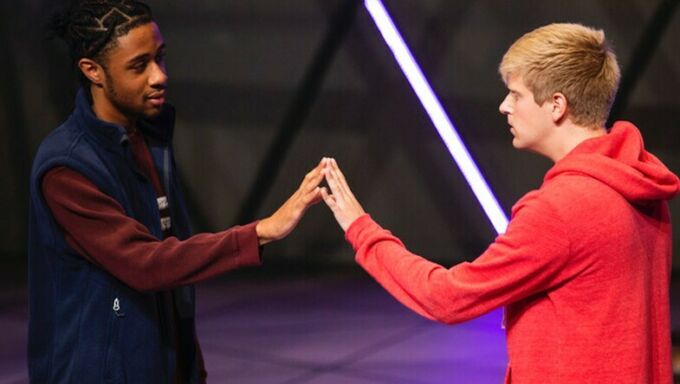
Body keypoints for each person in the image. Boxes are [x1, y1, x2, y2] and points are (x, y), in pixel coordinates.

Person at [320, 23, 679, 383]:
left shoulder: (560, 209)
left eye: (516, 94)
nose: (504, 106)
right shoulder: (640, 186)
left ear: (557, 105)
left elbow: (445, 296)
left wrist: (360, 229)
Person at [28, 1, 324, 382]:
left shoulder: (149, 137)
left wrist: (189, 366)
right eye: (139, 66)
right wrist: (260, 231)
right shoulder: (66, 167)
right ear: (92, 71)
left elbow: (173, 264)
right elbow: (144, 262)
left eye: (160, 58)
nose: (159, 76)